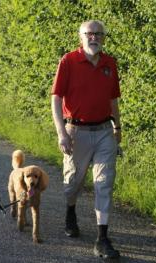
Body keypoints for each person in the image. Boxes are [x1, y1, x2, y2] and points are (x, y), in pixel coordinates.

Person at [51, 20, 122, 259]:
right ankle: (70, 211)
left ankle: (102, 238)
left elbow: (113, 99)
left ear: (103, 38)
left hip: (104, 131)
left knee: (104, 182)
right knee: (73, 182)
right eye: (89, 34)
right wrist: (62, 133)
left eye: (98, 34)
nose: (94, 38)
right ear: (81, 37)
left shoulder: (109, 63)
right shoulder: (68, 61)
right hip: (76, 131)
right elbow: (56, 99)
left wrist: (118, 126)